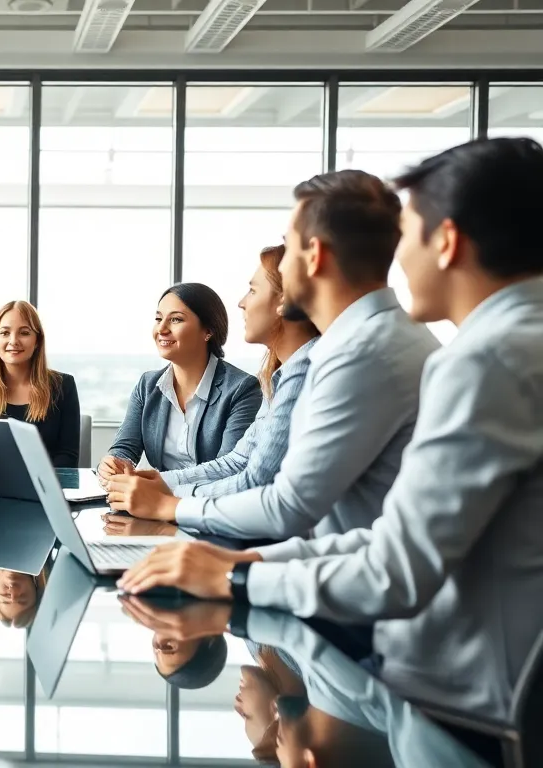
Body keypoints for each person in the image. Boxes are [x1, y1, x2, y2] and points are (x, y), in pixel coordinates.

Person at [116, 138, 543, 721]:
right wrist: (246, 566)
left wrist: (236, 578)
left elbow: (392, 567)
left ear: (447, 243)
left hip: (462, 700)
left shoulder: (483, 360)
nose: (397, 255)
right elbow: (392, 536)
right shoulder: (501, 346)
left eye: (409, 232)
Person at [110, 170, 440, 541]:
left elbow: (283, 503)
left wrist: (170, 505)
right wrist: (165, 487)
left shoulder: (355, 355)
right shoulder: (368, 342)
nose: (281, 266)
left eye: (290, 245)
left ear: (314, 255)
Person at [105, 246, 321, 517]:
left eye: (252, 291)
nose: (241, 302)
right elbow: (238, 462)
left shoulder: (282, 377)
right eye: (159, 318)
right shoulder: (279, 378)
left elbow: (252, 481)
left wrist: (168, 501)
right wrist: (157, 482)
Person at [98, 283, 262, 480]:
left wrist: (158, 483)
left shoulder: (242, 389)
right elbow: (125, 447)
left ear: (208, 330)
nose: (162, 328)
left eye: (175, 319)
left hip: (209, 503)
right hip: (158, 501)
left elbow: (229, 470)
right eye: (158, 318)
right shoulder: (148, 385)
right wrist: (114, 463)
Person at [0, 300, 80, 467]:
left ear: (37, 341)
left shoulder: (63, 386)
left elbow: (68, 456)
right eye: (5, 333)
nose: (13, 341)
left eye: (24, 333)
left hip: (46, 488)